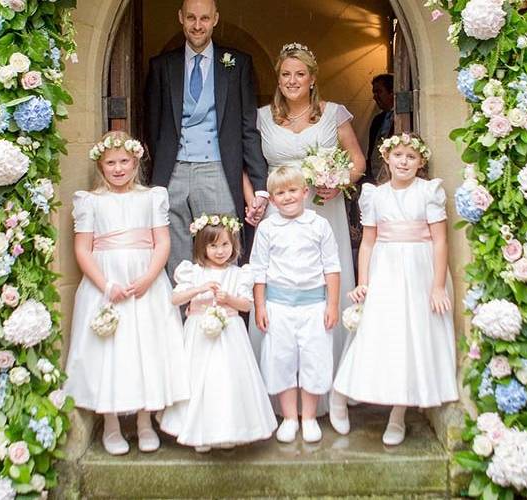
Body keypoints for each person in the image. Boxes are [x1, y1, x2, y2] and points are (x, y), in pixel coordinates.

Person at [244, 43, 365, 405]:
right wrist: (253, 199)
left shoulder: (334, 115)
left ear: (312, 79)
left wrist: (338, 181)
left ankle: (330, 392)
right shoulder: (261, 117)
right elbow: (247, 165)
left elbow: (357, 161)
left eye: (300, 74)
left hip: (322, 211)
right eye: (285, 74)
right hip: (277, 214)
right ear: (278, 80)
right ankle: (276, 393)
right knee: (277, 288)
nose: (292, 80)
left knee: (326, 286)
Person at [64, 131, 189, 455]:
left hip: (144, 283)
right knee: (111, 353)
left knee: (145, 349)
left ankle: (146, 421)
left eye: (124, 162)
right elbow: (83, 248)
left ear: (135, 162)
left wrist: (149, 277)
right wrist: (105, 284)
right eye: (111, 163)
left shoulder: (151, 197)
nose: (118, 169)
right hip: (106, 284)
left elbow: (162, 241)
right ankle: (111, 425)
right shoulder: (90, 201)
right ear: (101, 166)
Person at [330, 133, 458, 445]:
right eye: (398, 155)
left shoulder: (429, 192)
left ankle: (397, 416)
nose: (403, 161)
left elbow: (440, 240)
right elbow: (368, 242)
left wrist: (438, 286)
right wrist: (364, 282)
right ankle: (339, 396)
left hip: (419, 270)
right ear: (387, 158)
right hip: (385, 269)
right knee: (373, 333)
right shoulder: (376, 195)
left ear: (421, 162)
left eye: (411, 157)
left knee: (410, 340)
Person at [145, 0, 269, 277]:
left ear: (215, 19)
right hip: (173, 171)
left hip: (217, 169)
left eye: (204, 18)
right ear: (180, 18)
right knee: (175, 255)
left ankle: (220, 316)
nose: (197, 25)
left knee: (221, 249)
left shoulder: (237, 63)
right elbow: (153, 126)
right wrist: (164, 167)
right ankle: (181, 317)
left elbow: (248, 126)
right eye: (191, 18)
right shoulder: (162, 66)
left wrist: (259, 183)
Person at [158, 214, 277, 452]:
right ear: (202, 247)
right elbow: (175, 299)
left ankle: (228, 430)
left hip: (229, 336)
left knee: (226, 380)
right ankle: (197, 432)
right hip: (199, 334)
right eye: (213, 245)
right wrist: (199, 289)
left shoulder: (239, 274)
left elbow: (246, 305)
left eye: (225, 244)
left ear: (233, 245)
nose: (220, 251)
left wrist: (229, 299)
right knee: (199, 380)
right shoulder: (192, 272)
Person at [250, 167, 341, 443]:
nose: (287, 197)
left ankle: (310, 417)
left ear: (305, 192)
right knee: (282, 359)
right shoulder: (267, 228)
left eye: (292, 191)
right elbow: (259, 269)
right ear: (273, 200)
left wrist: (332, 305)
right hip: (278, 305)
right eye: (280, 193)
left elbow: (332, 267)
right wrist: (260, 306)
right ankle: (290, 417)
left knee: (314, 358)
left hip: (314, 304)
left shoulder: (319, 225)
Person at [366, 74, 395, 184]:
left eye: (379, 91)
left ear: (392, 92)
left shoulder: (405, 118)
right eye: (374, 93)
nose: (375, 97)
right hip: (375, 178)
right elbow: (371, 152)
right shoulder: (377, 120)